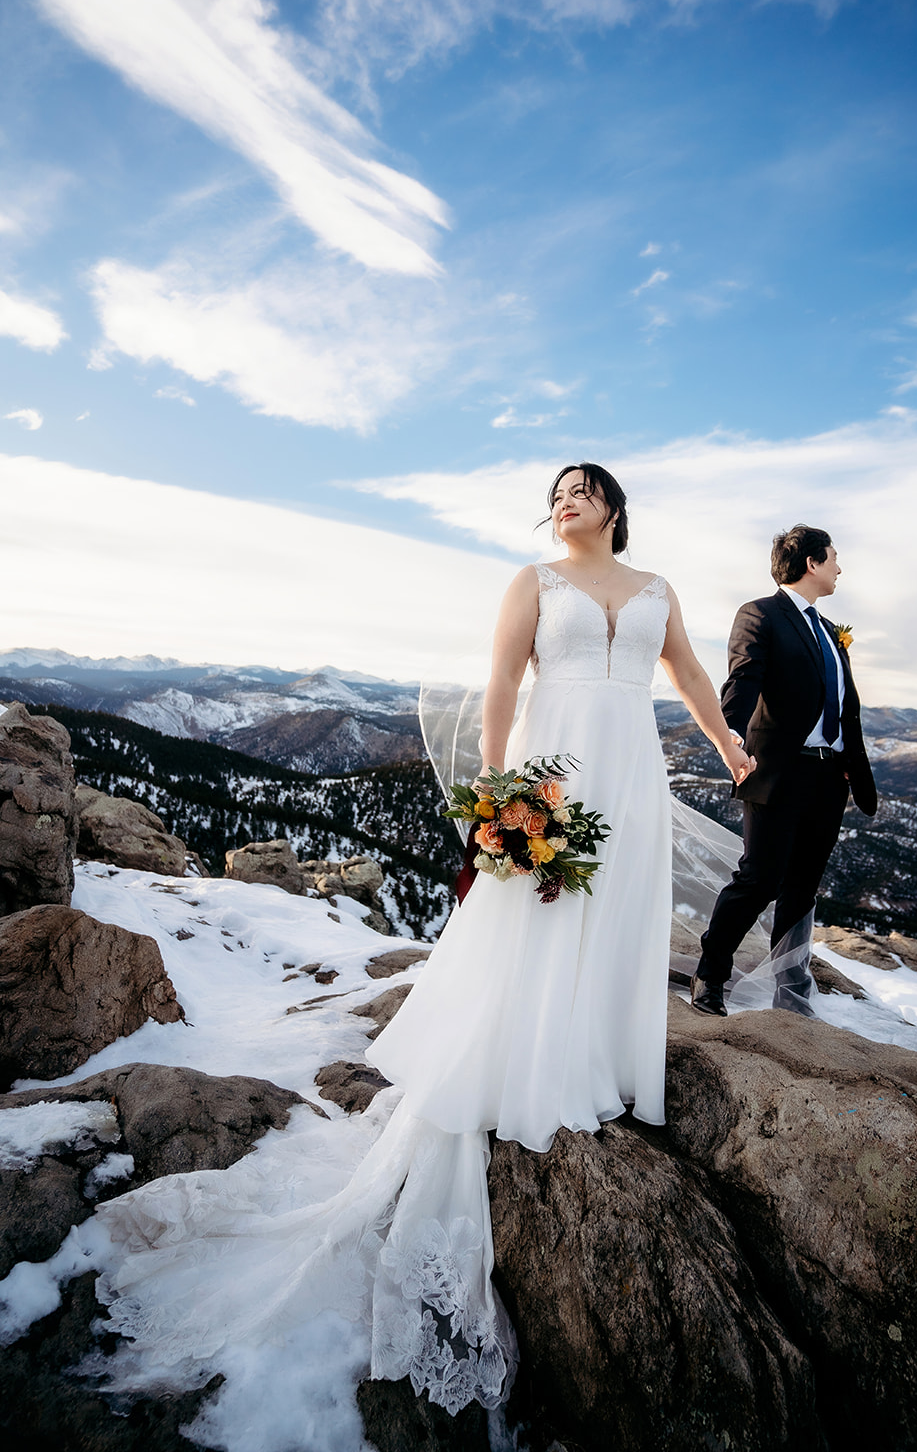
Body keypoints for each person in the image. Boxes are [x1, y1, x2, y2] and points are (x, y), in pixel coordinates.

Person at [87, 463, 753, 1422]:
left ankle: (599, 1062)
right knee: (539, 910)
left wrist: (729, 745)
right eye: (554, 492)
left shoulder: (657, 592)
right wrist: (493, 788)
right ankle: (526, 1062)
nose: (563, 501)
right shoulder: (532, 582)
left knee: (618, 909)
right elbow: (501, 681)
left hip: (633, 771)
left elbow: (687, 672)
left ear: (612, 507)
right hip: (554, 761)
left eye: (579, 489)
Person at [690, 523, 877, 1019]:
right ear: (812, 562)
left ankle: (790, 988)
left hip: (828, 776)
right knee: (760, 878)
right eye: (834, 557)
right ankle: (710, 974)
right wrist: (728, 735)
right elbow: (743, 679)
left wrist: (849, 771)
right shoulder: (761, 614)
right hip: (777, 770)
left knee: (803, 884)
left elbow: (844, 706)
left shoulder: (831, 631)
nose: (840, 566)